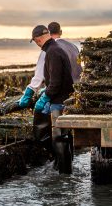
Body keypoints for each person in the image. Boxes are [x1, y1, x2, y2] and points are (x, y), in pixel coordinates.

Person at [29, 24, 76, 173]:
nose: (37, 44)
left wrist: (45, 96)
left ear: (39, 39)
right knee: (64, 136)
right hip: (63, 98)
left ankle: (64, 172)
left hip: (59, 101)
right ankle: (64, 167)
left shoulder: (52, 52)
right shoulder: (56, 49)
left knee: (58, 137)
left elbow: (55, 83)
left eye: (36, 41)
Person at [16, 21, 82, 108]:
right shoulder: (74, 47)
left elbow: (39, 76)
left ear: (49, 33)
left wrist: (27, 95)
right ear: (60, 32)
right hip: (77, 92)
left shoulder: (50, 49)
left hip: (59, 96)